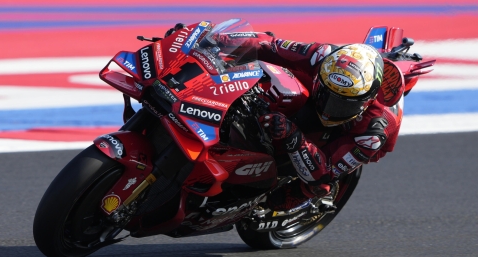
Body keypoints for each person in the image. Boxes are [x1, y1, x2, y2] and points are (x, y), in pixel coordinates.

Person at [166, 24, 403, 212]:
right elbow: (267, 44)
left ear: (366, 100)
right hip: (301, 103)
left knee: (316, 188)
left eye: (341, 104)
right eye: (327, 95)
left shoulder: (373, 132)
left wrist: (292, 136)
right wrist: (211, 41)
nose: (330, 109)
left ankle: (280, 202)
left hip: (333, 148)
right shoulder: (320, 57)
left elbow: (327, 170)